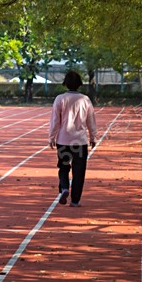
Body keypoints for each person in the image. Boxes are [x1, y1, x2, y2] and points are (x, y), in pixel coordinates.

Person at [48, 70, 97, 207]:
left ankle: (64, 188)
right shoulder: (85, 100)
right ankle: (75, 200)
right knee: (79, 171)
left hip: (63, 141)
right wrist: (93, 137)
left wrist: (51, 137)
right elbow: (91, 120)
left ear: (66, 83)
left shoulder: (60, 99)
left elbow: (55, 121)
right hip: (80, 142)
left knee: (63, 167)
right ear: (79, 84)